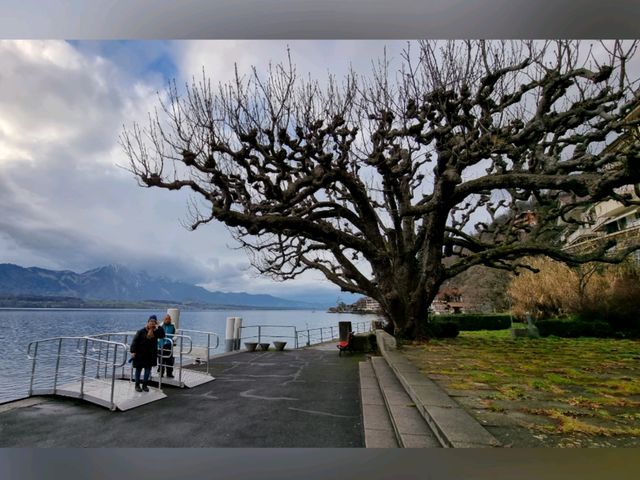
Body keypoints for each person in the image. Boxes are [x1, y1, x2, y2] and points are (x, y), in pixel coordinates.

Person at [130, 315, 165, 392]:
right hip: (140, 354)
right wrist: (133, 351)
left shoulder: (156, 332)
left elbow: (163, 335)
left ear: (155, 323)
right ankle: (137, 385)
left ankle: (145, 385)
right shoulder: (141, 331)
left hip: (150, 355)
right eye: (151, 321)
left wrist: (159, 326)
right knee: (138, 370)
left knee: (147, 370)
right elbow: (135, 342)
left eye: (154, 322)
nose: (152, 323)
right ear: (148, 322)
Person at [159, 314, 176, 378]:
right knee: (161, 360)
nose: (167, 320)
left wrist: (173, 340)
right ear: (164, 319)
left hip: (169, 345)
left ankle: (169, 373)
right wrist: (158, 341)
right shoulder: (161, 326)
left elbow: (176, 334)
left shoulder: (172, 326)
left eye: (168, 319)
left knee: (169, 360)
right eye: (166, 319)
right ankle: (161, 373)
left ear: (170, 319)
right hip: (161, 345)